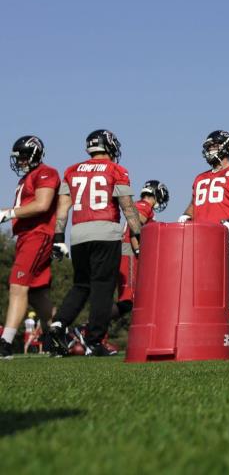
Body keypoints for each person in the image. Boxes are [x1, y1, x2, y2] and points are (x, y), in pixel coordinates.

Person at [46, 130, 142, 357]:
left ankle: (59, 324)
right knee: (103, 286)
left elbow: (62, 208)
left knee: (81, 285)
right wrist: (138, 232)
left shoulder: (71, 170)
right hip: (105, 231)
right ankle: (94, 340)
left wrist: (58, 238)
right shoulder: (116, 170)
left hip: (78, 234)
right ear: (109, 146)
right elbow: (127, 205)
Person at [178, 130, 229, 294]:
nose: (210, 150)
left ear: (226, 147)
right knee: (195, 287)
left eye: (213, 146)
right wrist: (185, 216)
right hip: (199, 237)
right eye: (208, 147)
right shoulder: (200, 177)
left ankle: (221, 320)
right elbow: (196, 204)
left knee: (219, 288)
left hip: (226, 236)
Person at [0, 136, 60, 359]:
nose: (20, 162)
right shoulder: (28, 177)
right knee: (36, 295)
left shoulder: (46, 172)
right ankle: (59, 335)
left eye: (23, 157)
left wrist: (9, 213)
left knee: (17, 285)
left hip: (37, 234)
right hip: (26, 236)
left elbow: (42, 204)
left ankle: (4, 343)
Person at [115, 180, 168, 320]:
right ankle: (89, 328)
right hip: (130, 254)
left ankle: (95, 332)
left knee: (131, 300)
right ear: (156, 194)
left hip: (125, 252)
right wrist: (139, 251)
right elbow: (135, 229)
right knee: (127, 302)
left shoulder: (139, 205)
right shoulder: (144, 206)